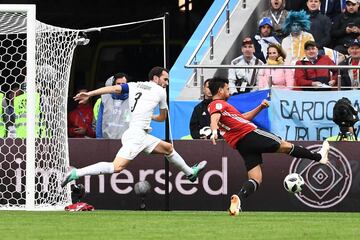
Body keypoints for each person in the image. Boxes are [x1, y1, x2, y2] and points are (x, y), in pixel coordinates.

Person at [61, 66, 207, 188]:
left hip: (138, 134)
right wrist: (152, 116)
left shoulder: (134, 85)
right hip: (136, 136)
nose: (167, 83)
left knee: (168, 148)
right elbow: (162, 118)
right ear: (155, 78)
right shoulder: (161, 91)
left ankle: (190, 173)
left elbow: (113, 88)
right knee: (116, 167)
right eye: (165, 79)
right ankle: (75, 173)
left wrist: (90, 94)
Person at [207, 77, 330, 215]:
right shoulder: (216, 104)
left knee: (256, 179)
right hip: (250, 135)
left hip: (242, 145)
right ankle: (319, 157)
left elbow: (243, 117)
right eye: (227, 88)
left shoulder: (224, 108)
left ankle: (238, 199)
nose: (229, 91)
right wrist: (214, 131)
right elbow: (214, 119)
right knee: (285, 145)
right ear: (220, 90)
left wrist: (260, 107)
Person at [94, 72, 130, 139]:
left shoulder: (132, 100)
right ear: (114, 85)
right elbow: (100, 121)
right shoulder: (105, 99)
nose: (120, 86)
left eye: (123, 84)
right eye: (118, 84)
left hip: (125, 142)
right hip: (107, 141)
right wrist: (99, 139)